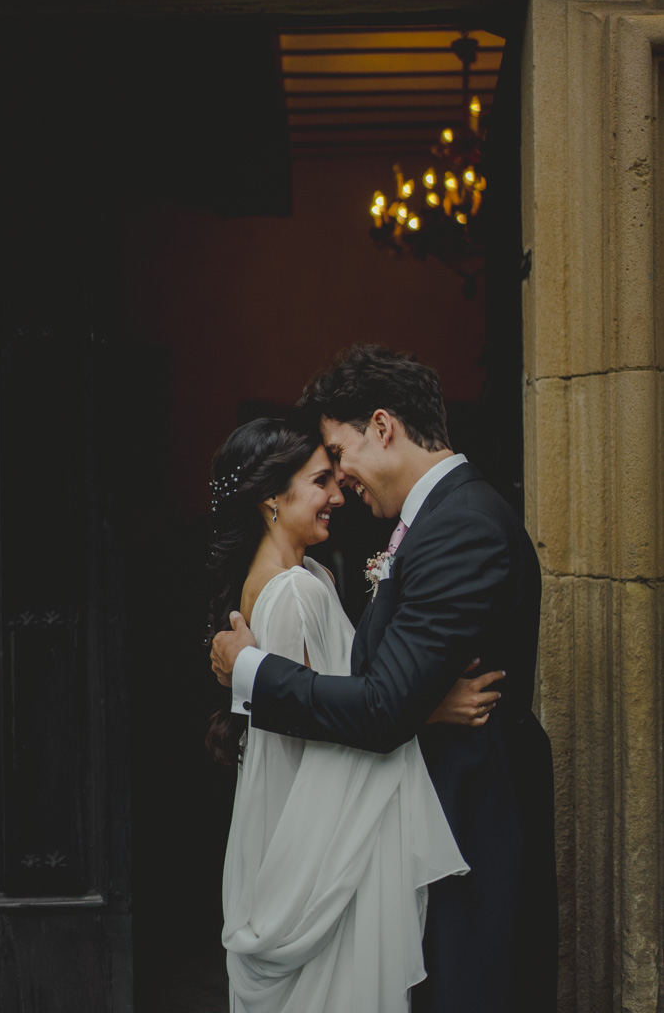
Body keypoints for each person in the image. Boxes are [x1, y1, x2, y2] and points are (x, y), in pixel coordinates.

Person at [211, 346, 558, 1013]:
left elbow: (381, 705)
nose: (340, 481)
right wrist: (424, 704)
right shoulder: (431, 521)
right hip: (425, 815)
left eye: (338, 454)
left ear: (382, 426)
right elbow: (391, 693)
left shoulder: (459, 527)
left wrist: (251, 669)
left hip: (466, 816)